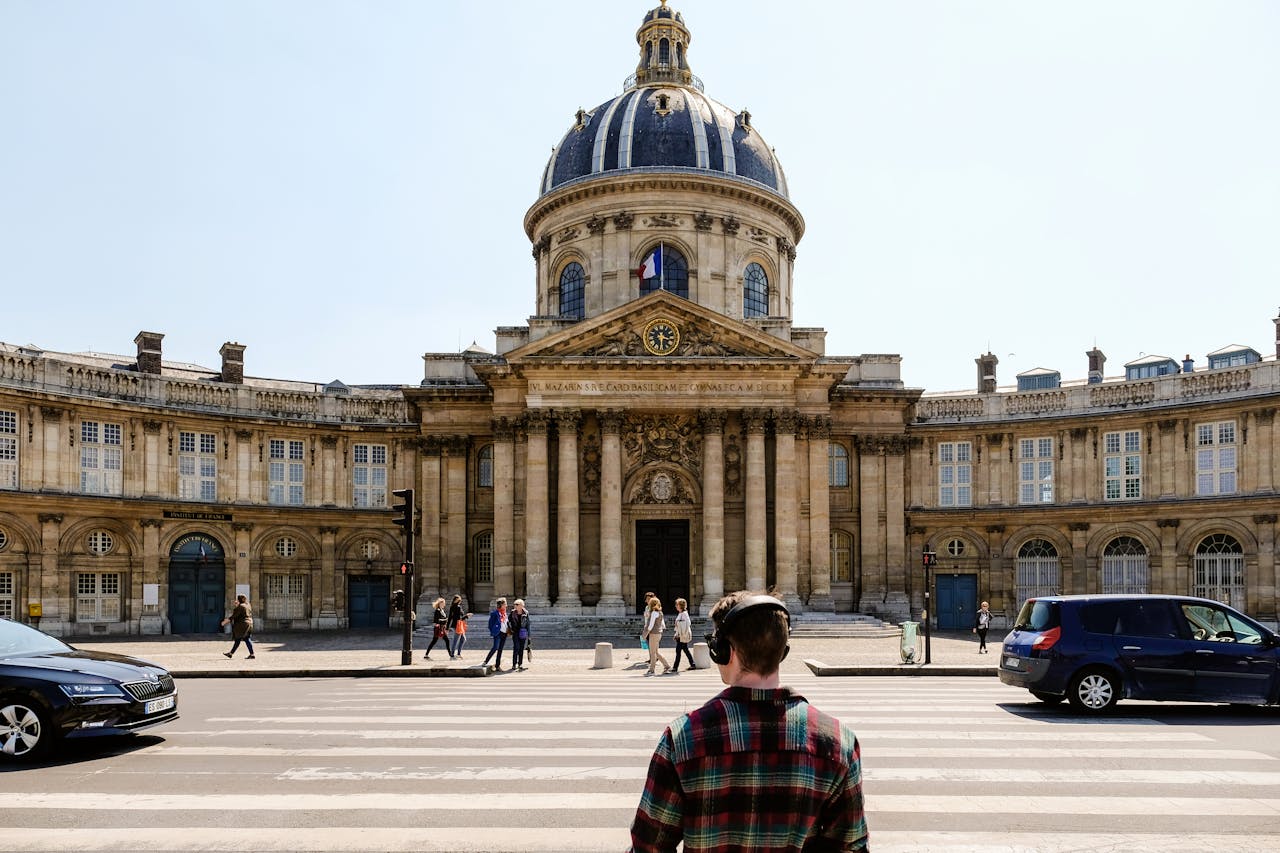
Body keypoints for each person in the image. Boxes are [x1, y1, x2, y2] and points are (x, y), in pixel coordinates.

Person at [629, 591, 869, 852]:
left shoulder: (683, 739)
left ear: (723, 652)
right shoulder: (837, 742)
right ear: (783, 652)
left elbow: (648, 846)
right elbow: (851, 847)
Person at [220, 594, 255, 660]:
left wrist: (224, 622)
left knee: (240, 639)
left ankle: (231, 653)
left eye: (237, 599)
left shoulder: (241, 606)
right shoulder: (248, 605)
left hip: (242, 625)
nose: (236, 601)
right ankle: (232, 653)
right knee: (245, 639)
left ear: (239, 600)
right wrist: (237, 605)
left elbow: (234, 616)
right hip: (249, 623)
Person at [642, 595, 670, 676]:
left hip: (654, 633)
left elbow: (650, 626)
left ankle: (652, 669)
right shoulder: (660, 612)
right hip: (658, 633)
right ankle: (666, 666)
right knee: (656, 652)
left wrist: (645, 634)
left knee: (652, 652)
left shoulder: (654, 613)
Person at [482, 597, 509, 670]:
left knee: (500, 650)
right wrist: (493, 631)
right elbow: (490, 625)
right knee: (495, 647)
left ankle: (497, 666)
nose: (506, 605)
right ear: (501, 605)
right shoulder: (495, 614)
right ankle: (485, 661)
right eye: (505, 604)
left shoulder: (505, 614)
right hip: (498, 633)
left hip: (504, 633)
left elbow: (506, 623)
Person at [670, 597, 695, 673]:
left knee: (678, 651)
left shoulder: (684, 614)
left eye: (677, 604)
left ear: (680, 605)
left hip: (682, 636)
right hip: (680, 635)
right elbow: (679, 626)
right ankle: (693, 664)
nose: (676, 606)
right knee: (685, 650)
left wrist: (679, 634)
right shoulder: (681, 613)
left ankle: (675, 667)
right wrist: (676, 633)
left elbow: (687, 624)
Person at [509, 599, 532, 671]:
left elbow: (528, 624)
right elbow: (508, 621)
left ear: (521, 605)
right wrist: (510, 629)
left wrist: (529, 635)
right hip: (515, 632)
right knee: (516, 647)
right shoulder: (512, 612)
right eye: (514, 604)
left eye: (516, 604)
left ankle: (520, 664)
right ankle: (514, 664)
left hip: (523, 632)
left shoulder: (526, 613)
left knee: (521, 648)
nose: (515, 606)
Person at [446, 594, 469, 659]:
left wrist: (447, 627)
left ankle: (458, 654)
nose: (460, 601)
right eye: (459, 600)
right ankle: (453, 654)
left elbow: (450, 618)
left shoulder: (452, 607)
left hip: (456, 625)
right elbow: (460, 618)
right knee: (456, 640)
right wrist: (466, 616)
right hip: (458, 625)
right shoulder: (458, 607)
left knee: (463, 639)